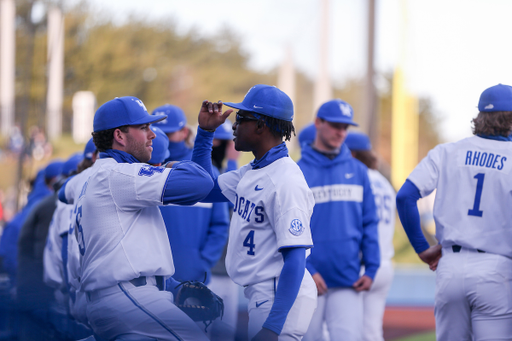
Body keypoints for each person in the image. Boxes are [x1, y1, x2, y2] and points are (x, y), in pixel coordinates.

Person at [75, 96, 214, 341]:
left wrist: (170, 285)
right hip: (127, 299)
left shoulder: (100, 175)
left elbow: (129, 249)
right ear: (119, 136)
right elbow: (201, 182)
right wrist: (172, 163)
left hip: (121, 296)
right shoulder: (119, 175)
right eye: (144, 128)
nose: (153, 134)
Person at [191, 84, 317, 341]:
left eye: (241, 119)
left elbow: (295, 259)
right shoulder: (253, 171)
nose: (234, 126)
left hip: (279, 294)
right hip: (265, 293)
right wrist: (205, 134)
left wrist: (273, 327)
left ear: (261, 126)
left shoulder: (286, 180)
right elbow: (201, 189)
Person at [396, 83, 512, 341]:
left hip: (450, 265)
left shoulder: (447, 152)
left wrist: (422, 248)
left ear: (480, 116)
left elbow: (405, 196)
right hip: (497, 268)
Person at [297, 99, 380, 341]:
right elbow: (287, 229)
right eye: (335, 125)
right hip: (308, 281)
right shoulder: (298, 171)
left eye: (345, 127)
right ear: (318, 123)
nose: (341, 132)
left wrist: (372, 267)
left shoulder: (358, 171)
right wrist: (307, 269)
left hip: (348, 281)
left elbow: (370, 222)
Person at [150, 119, 230, 286]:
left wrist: (202, 262)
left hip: (193, 275)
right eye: (159, 132)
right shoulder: (145, 172)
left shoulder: (207, 171)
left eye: (169, 132)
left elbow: (220, 225)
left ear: (184, 132)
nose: (164, 137)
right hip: (152, 276)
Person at [345, 132, 395, 341]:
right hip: (384, 264)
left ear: (353, 155)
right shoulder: (385, 183)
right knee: (372, 332)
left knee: (343, 330)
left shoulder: (356, 179)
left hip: (361, 264)